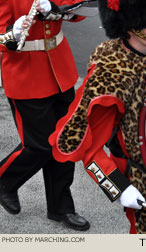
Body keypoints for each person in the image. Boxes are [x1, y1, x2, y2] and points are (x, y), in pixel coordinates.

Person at [49, 0, 146, 234]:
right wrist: (118, 188)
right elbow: (89, 148)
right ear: (130, 27)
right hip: (141, 173)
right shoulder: (110, 71)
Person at [0, 0, 90, 231]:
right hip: (26, 76)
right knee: (39, 146)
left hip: (60, 69)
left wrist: (55, 8)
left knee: (64, 143)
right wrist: (12, 33)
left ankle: (61, 207)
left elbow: (78, 10)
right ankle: (4, 180)